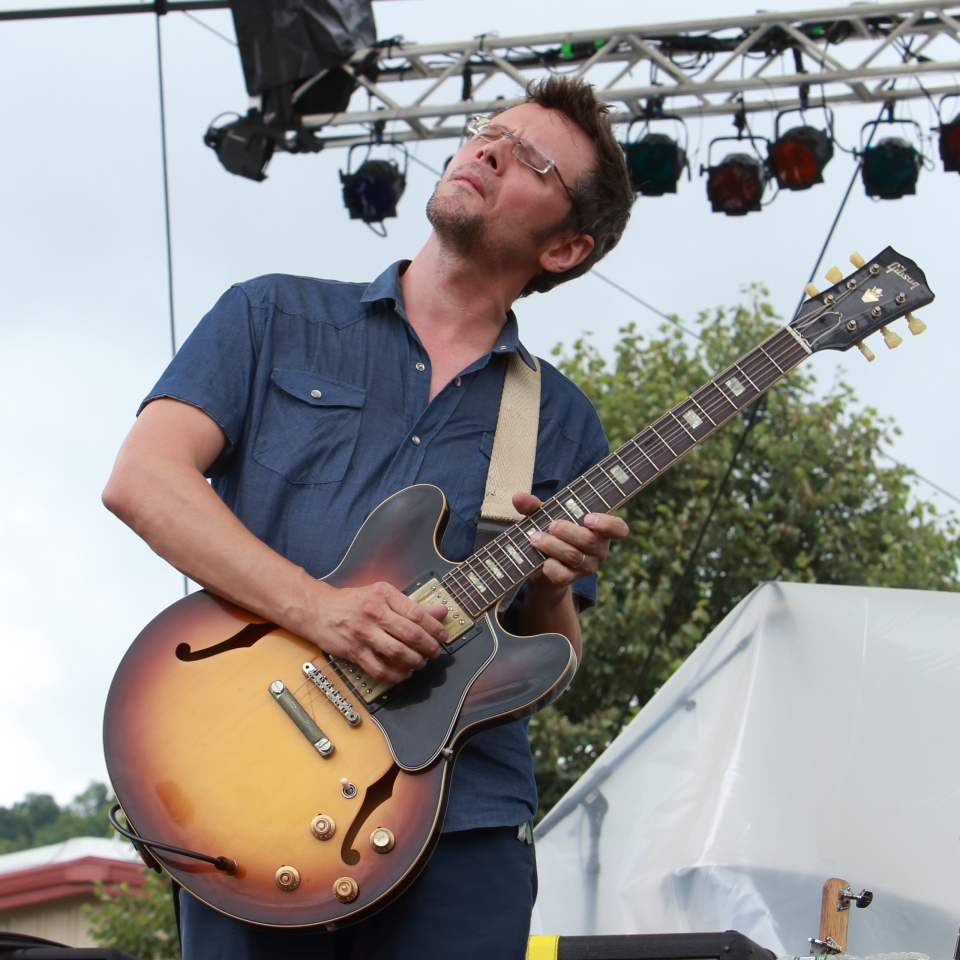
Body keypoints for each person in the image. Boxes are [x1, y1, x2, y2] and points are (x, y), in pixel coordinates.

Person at [103, 76, 634, 960]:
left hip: (462, 822)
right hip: (251, 788)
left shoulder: (562, 420)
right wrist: (322, 610)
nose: (488, 149)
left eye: (531, 159)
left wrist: (549, 587)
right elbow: (143, 480)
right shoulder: (272, 313)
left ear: (567, 247)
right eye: (489, 130)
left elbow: (551, 656)